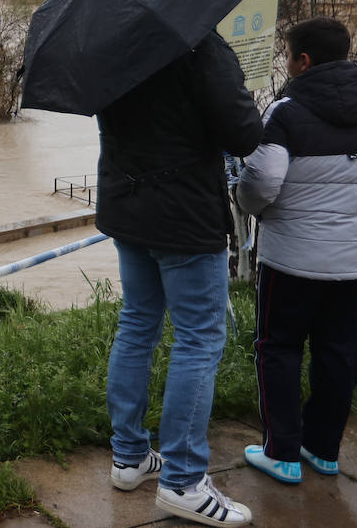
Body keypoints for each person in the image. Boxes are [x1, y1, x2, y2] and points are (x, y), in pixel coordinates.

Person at [236, 17, 357, 483]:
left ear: (303, 61)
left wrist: (250, 206)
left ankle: (280, 453)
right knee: (336, 352)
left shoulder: (285, 113)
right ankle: (322, 450)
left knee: (277, 349)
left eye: (289, 56)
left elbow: (263, 181)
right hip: (354, 264)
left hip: (290, 264)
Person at [97, 31, 262, 527]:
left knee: (138, 323)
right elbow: (244, 134)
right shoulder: (201, 46)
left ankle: (129, 459)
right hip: (184, 215)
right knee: (198, 339)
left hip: (128, 205)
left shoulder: (113, 43)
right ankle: (184, 482)